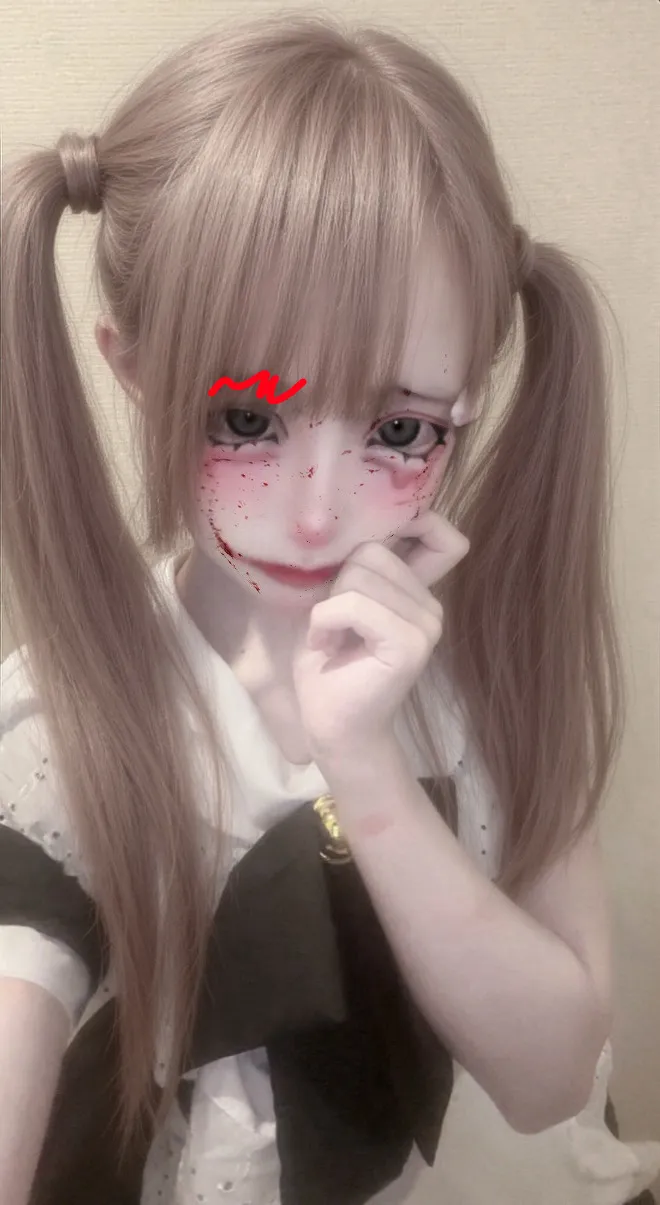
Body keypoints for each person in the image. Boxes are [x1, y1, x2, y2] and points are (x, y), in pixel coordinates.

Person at [1, 11, 659, 1205]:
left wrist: (367, 769)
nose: (316, 514)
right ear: (135, 368)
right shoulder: (60, 725)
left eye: (400, 428)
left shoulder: (498, 684)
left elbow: (553, 1077)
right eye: (247, 418)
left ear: (467, 402)